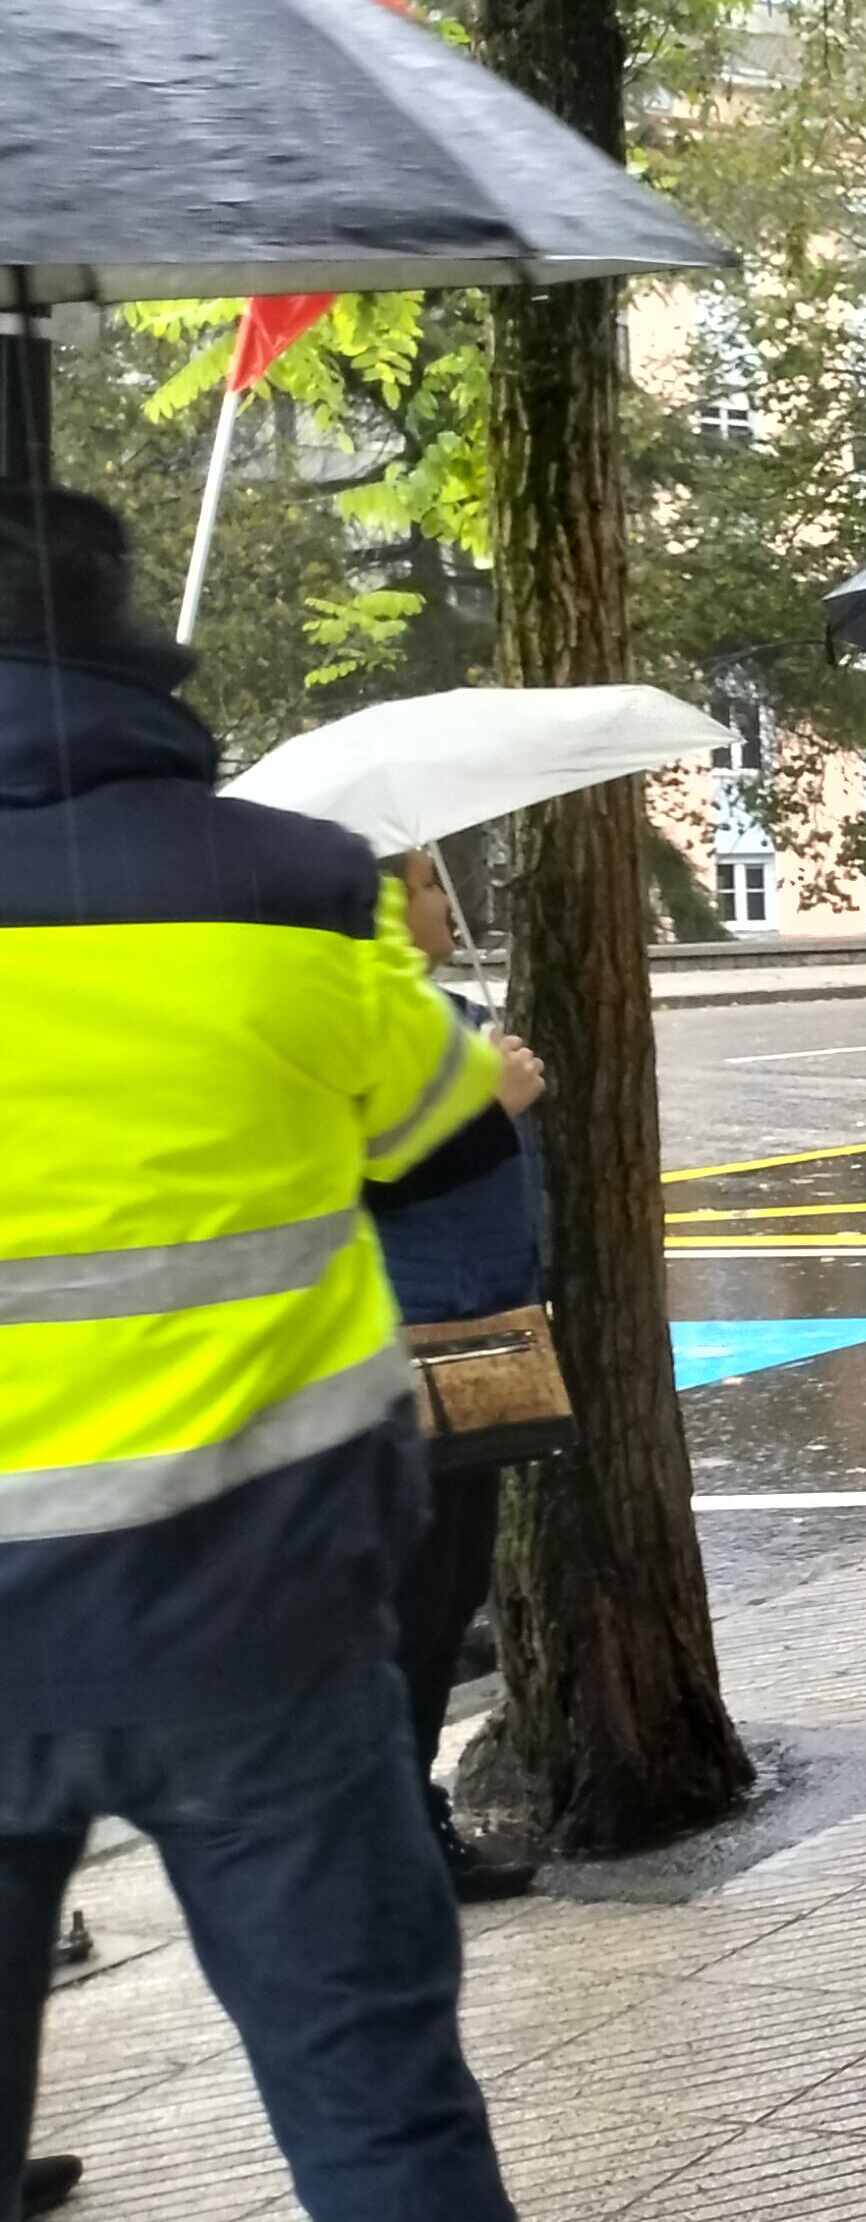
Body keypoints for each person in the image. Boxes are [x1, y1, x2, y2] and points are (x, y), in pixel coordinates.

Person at [0, 487, 515, 2217]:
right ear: (135, 637)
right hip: (262, 1617)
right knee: (378, 2114)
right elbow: (446, 1135)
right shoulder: (294, 887)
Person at [367, 848, 552, 1906]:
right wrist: (495, 1108)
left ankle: (407, 1815)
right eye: (431, 886)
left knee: (444, 1596)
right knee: (417, 1601)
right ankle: (398, 1831)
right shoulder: (372, 1026)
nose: (449, 902)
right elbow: (364, 1169)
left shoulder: (442, 1012)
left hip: (479, 1331)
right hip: (417, 1343)